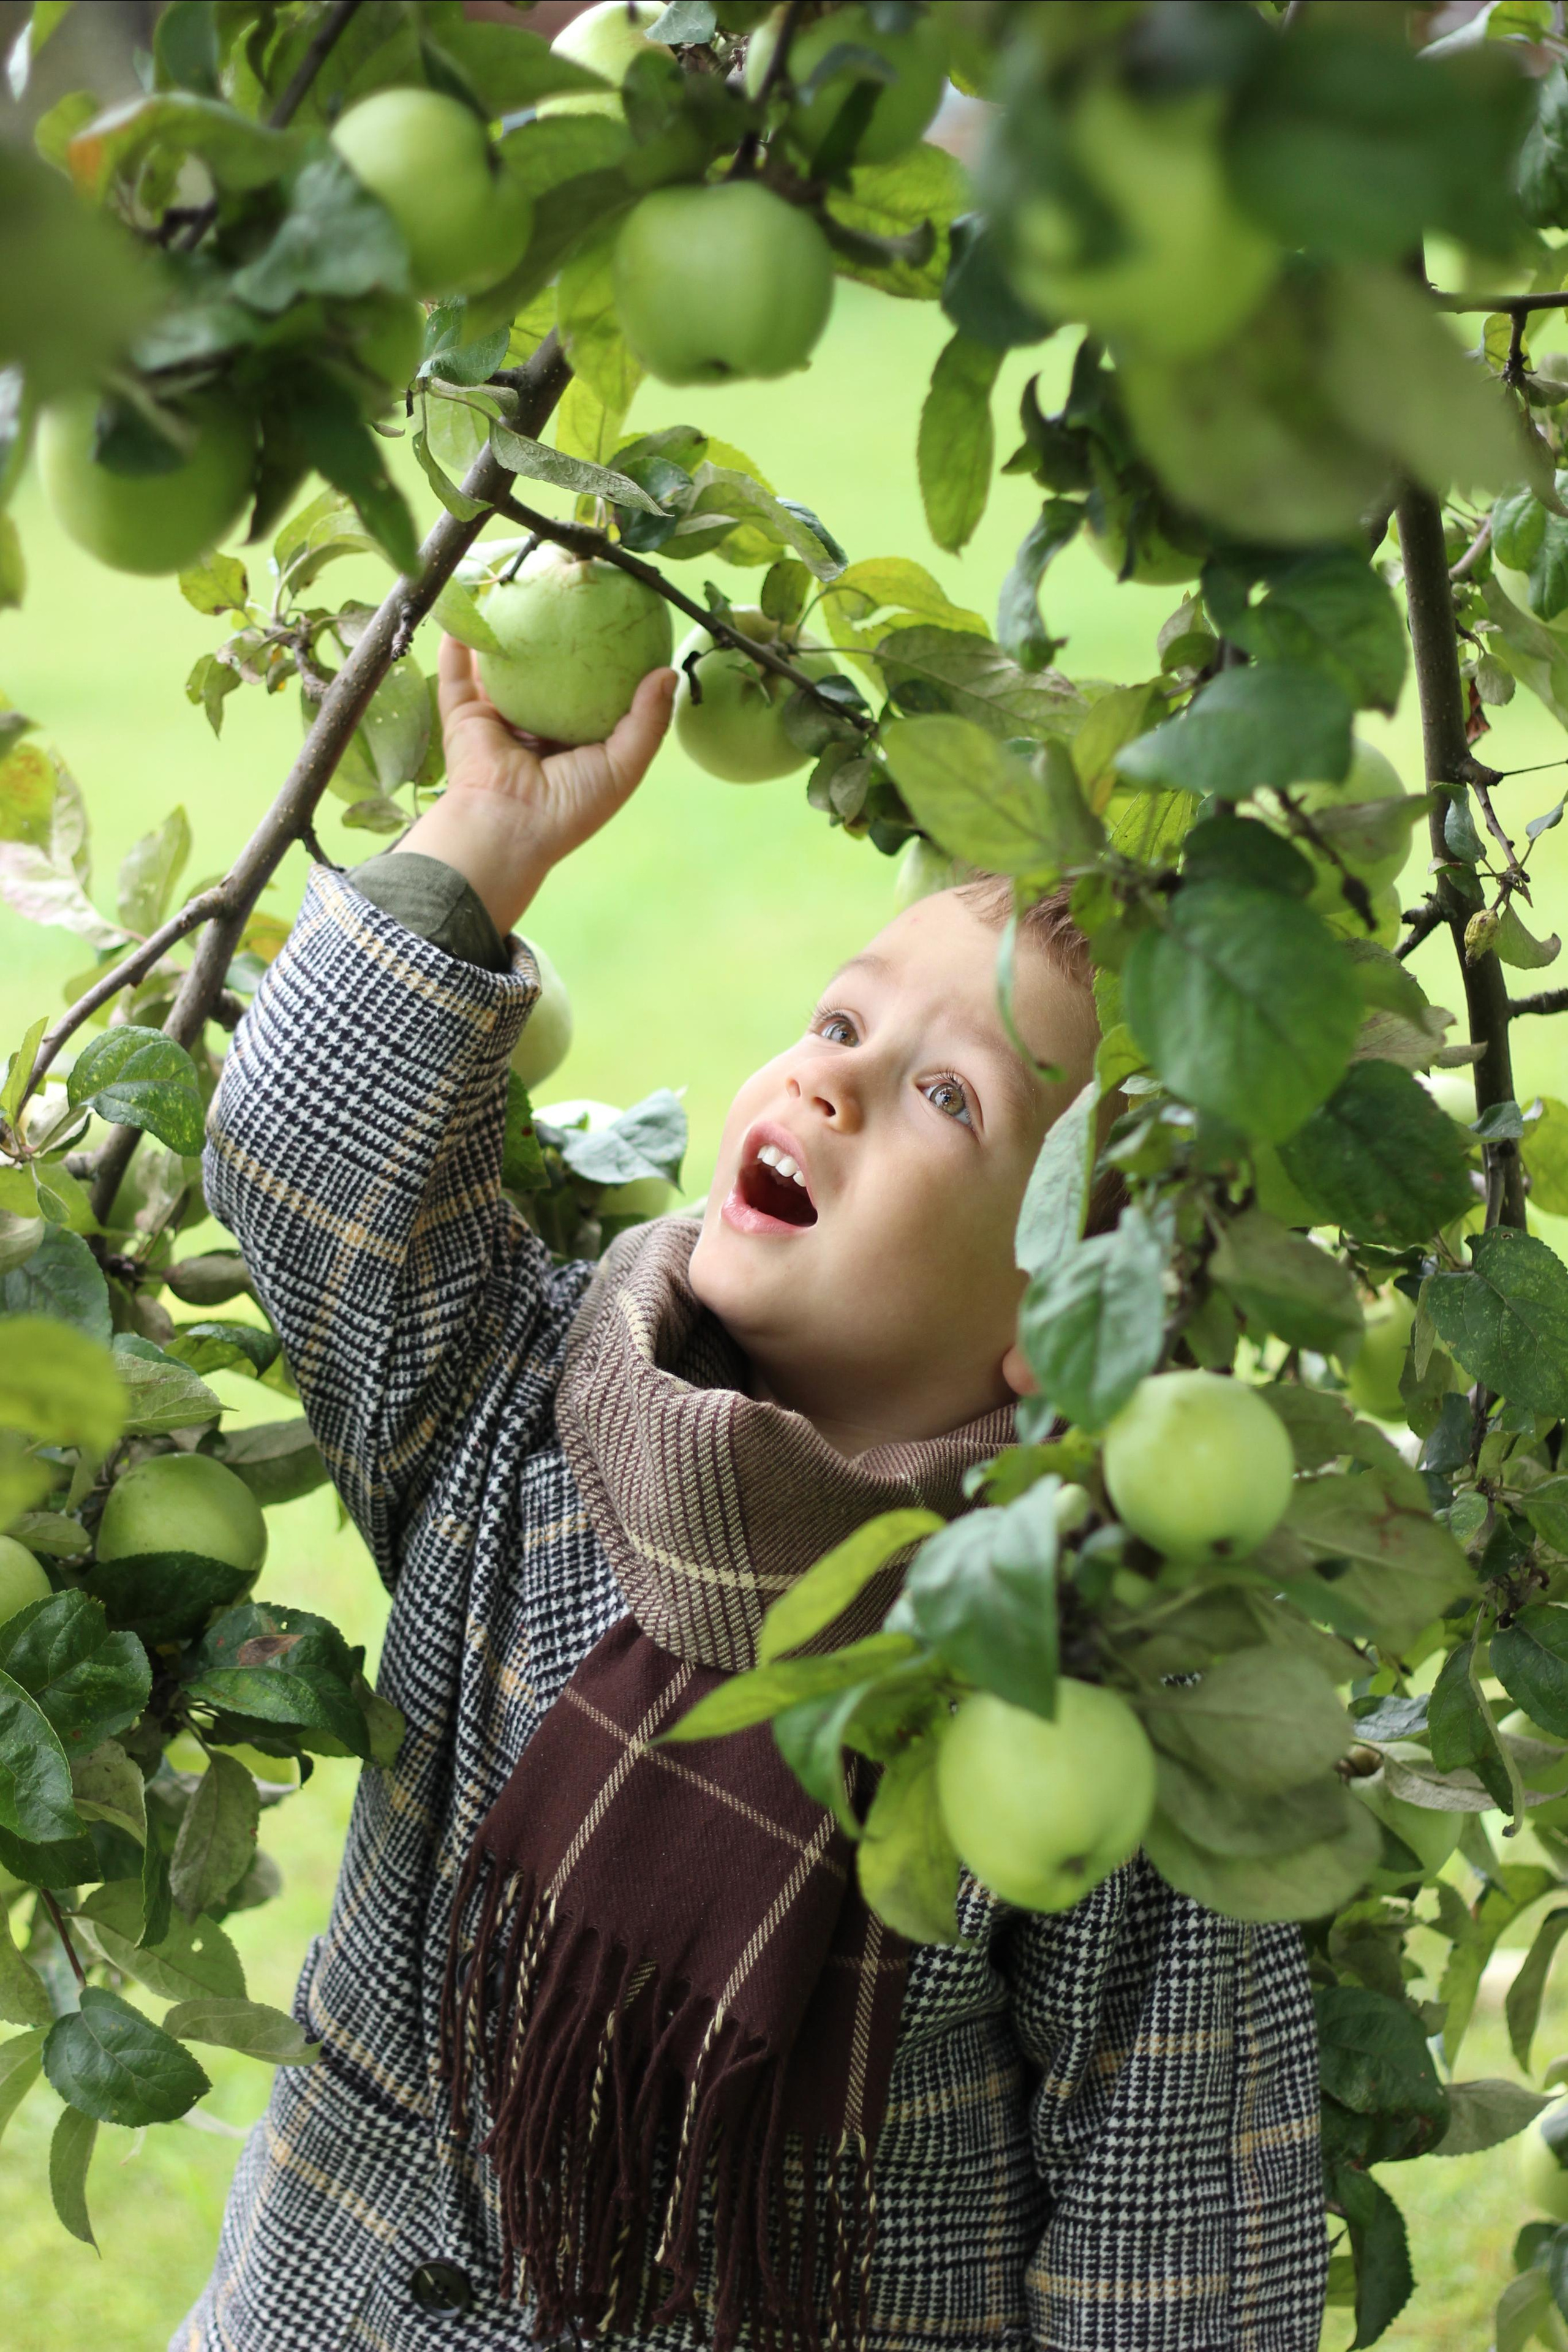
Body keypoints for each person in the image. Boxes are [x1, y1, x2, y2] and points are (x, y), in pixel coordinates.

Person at [175, 638, 1327, 2352]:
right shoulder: (527, 1403)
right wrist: (485, 836)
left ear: (1076, 1320)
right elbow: (303, 1154)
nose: (829, 1080)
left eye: (950, 1096)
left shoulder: (1093, 1684)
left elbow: (1172, 2231)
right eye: (841, 1021)